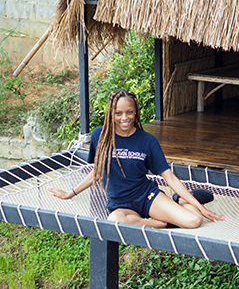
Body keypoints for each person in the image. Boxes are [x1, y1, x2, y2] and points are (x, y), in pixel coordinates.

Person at [49, 89, 227, 229]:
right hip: (120, 204)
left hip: (147, 197)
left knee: (194, 220)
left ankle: (180, 201)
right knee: (115, 220)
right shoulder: (100, 136)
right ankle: (165, 222)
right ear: (111, 113)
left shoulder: (147, 141)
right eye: (118, 113)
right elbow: (97, 171)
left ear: (136, 112)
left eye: (129, 112)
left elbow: (169, 177)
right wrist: (70, 194)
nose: (124, 118)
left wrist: (201, 208)